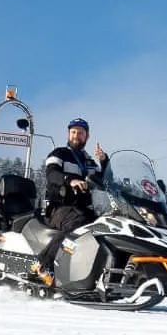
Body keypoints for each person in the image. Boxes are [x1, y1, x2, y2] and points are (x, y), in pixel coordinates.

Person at [31, 118, 108, 286]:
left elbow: (103, 181)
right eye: (73, 132)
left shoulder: (89, 162)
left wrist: (104, 162)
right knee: (77, 222)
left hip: (83, 208)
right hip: (58, 207)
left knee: (105, 225)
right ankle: (44, 264)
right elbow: (52, 174)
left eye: (80, 133)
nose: (76, 136)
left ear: (87, 136)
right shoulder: (59, 154)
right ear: (68, 134)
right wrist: (69, 181)